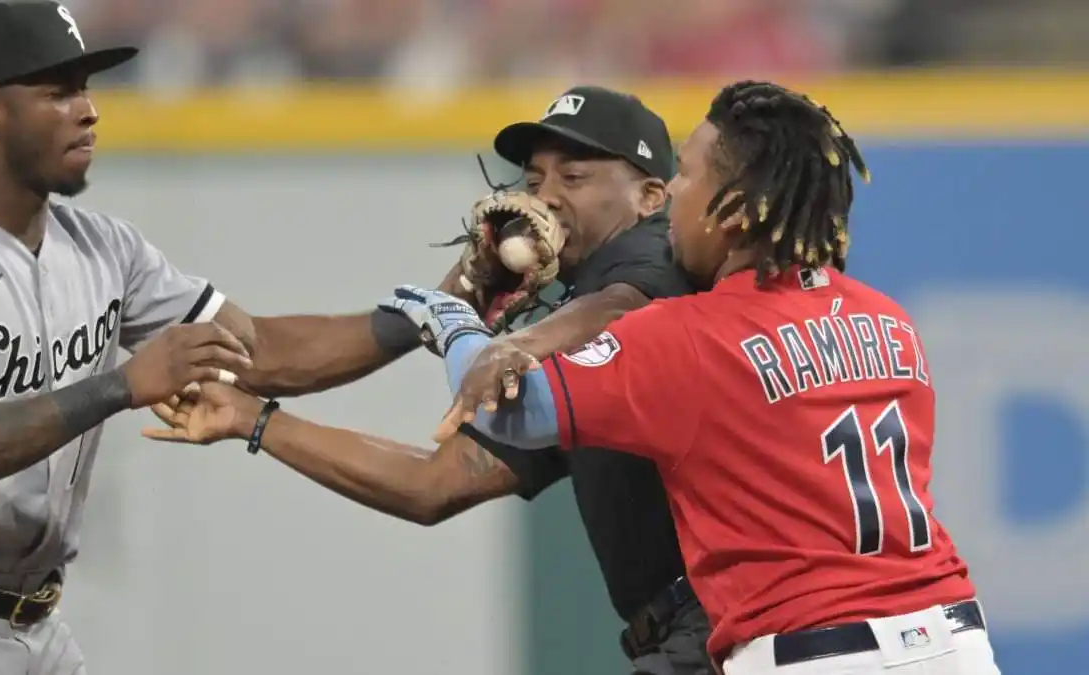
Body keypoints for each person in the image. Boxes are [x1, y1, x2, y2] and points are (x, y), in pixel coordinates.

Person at [0, 2, 465, 672]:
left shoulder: (103, 247)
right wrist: (122, 385)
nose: (88, 110)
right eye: (58, 91)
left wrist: (430, 310)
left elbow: (261, 353)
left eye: (87, 87)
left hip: (37, 627)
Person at [376, 81, 1002, 674]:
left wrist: (455, 320)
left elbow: (513, 413)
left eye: (689, 171)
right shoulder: (887, 320)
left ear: (736, 209)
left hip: (814, 650)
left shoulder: (690, 335)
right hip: (955, 640)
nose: (673, 189)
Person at [143, 86, 714, 675]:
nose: (545, 196)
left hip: (724, 623)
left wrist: (514, 342)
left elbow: (627, 305)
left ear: (650, 196)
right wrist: (254, 419)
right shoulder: (570, 340)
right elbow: (433, 483)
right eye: (534, 178)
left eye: (574, 177)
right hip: (688, 631)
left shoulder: (659, 261)